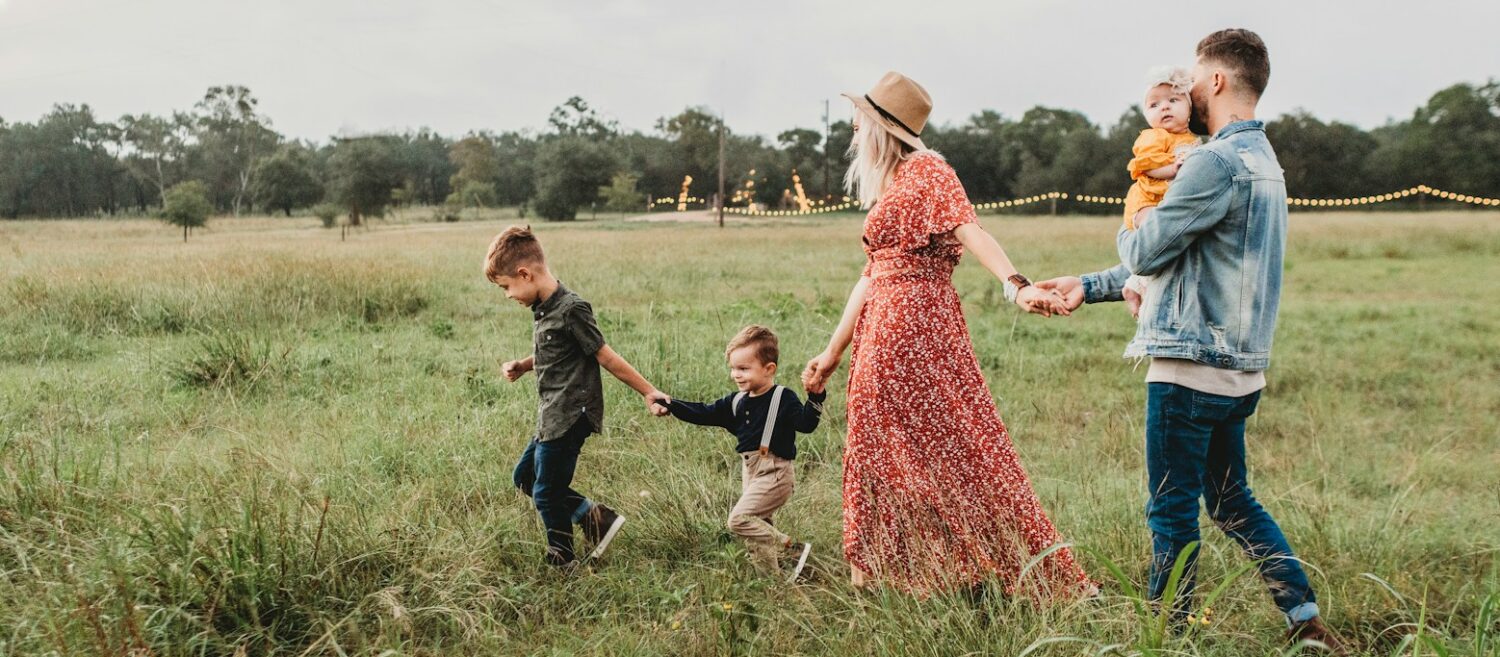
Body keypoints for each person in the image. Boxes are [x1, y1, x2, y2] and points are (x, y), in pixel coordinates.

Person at [1036, 29, 1348, 652]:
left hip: (1188, 368)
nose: (1185, 91)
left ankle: (1166, 636)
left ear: (1217, 82)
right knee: (1233, 503)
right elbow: (1187, 259)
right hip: (1240, 372)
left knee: (1170, 509)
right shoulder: (1265, 162)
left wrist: (1138, 221)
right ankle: (1305, 621)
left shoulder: (1212, 161)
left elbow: (1150, 247)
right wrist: (1090, 285)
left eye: (1194, 79)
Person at [801, 71, 1092, 597]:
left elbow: (970, 229)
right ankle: (894, 575)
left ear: (881, 127)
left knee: (949, 447)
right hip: (885, 327)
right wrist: (832, 351)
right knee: (893, 450)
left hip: (913, 327)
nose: (851, 127)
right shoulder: (893, 183)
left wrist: (1016, 284)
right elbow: (870, 276)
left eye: (859, 119)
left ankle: (964, 570)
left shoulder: (928, 171)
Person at [485, 225, 671, 569]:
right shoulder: (543, 308)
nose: (508, 295)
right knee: (524, 478)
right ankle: (596, 519)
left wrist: (649, 392)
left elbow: (605, 356)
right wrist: (525, 365)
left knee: (546, 492)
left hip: (571, 414)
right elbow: (555, 353)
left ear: (525, 274)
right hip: (551, 413)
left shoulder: (572, 308)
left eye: (506, 287)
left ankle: (562, 559)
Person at [661, 325, 821, 581]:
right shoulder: (736, 401)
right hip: (751, 472)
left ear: (769, 369)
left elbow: (806, 424)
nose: (736, 374)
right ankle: (773, 583)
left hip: (776, 473)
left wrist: (816, 397)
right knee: (758, 533)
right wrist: (670, 404)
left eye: (744, 369)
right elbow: (703, 412)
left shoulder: (782, 397)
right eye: (733, 368)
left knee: (740, 520)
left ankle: (790, 548)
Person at [1121, 66, 1201, 317]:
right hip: (1146, 201)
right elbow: (1146, 165)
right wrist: (1172, 168)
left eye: (1173, 100)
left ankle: (1136, 284)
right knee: (1156, 235)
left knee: (1169, 242)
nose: (1164, 107)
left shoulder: (1191, 139)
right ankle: (1140, 286)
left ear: (1189, 108)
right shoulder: (1154, 136)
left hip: (1165, 200)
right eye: (1154, 105)